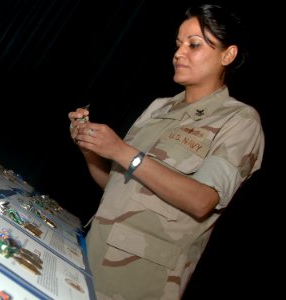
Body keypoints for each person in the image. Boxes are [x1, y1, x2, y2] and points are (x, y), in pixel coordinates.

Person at [68, 3, 264, 300]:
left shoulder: (239, 121)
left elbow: (202, 200)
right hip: (91, 256)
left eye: (194, 44)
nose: (179, 53)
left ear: (228, 54)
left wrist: (122, 151)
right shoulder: (160, 107)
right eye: (178, 44)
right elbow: (115, 186)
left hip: (139, 283)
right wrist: (90, 148)